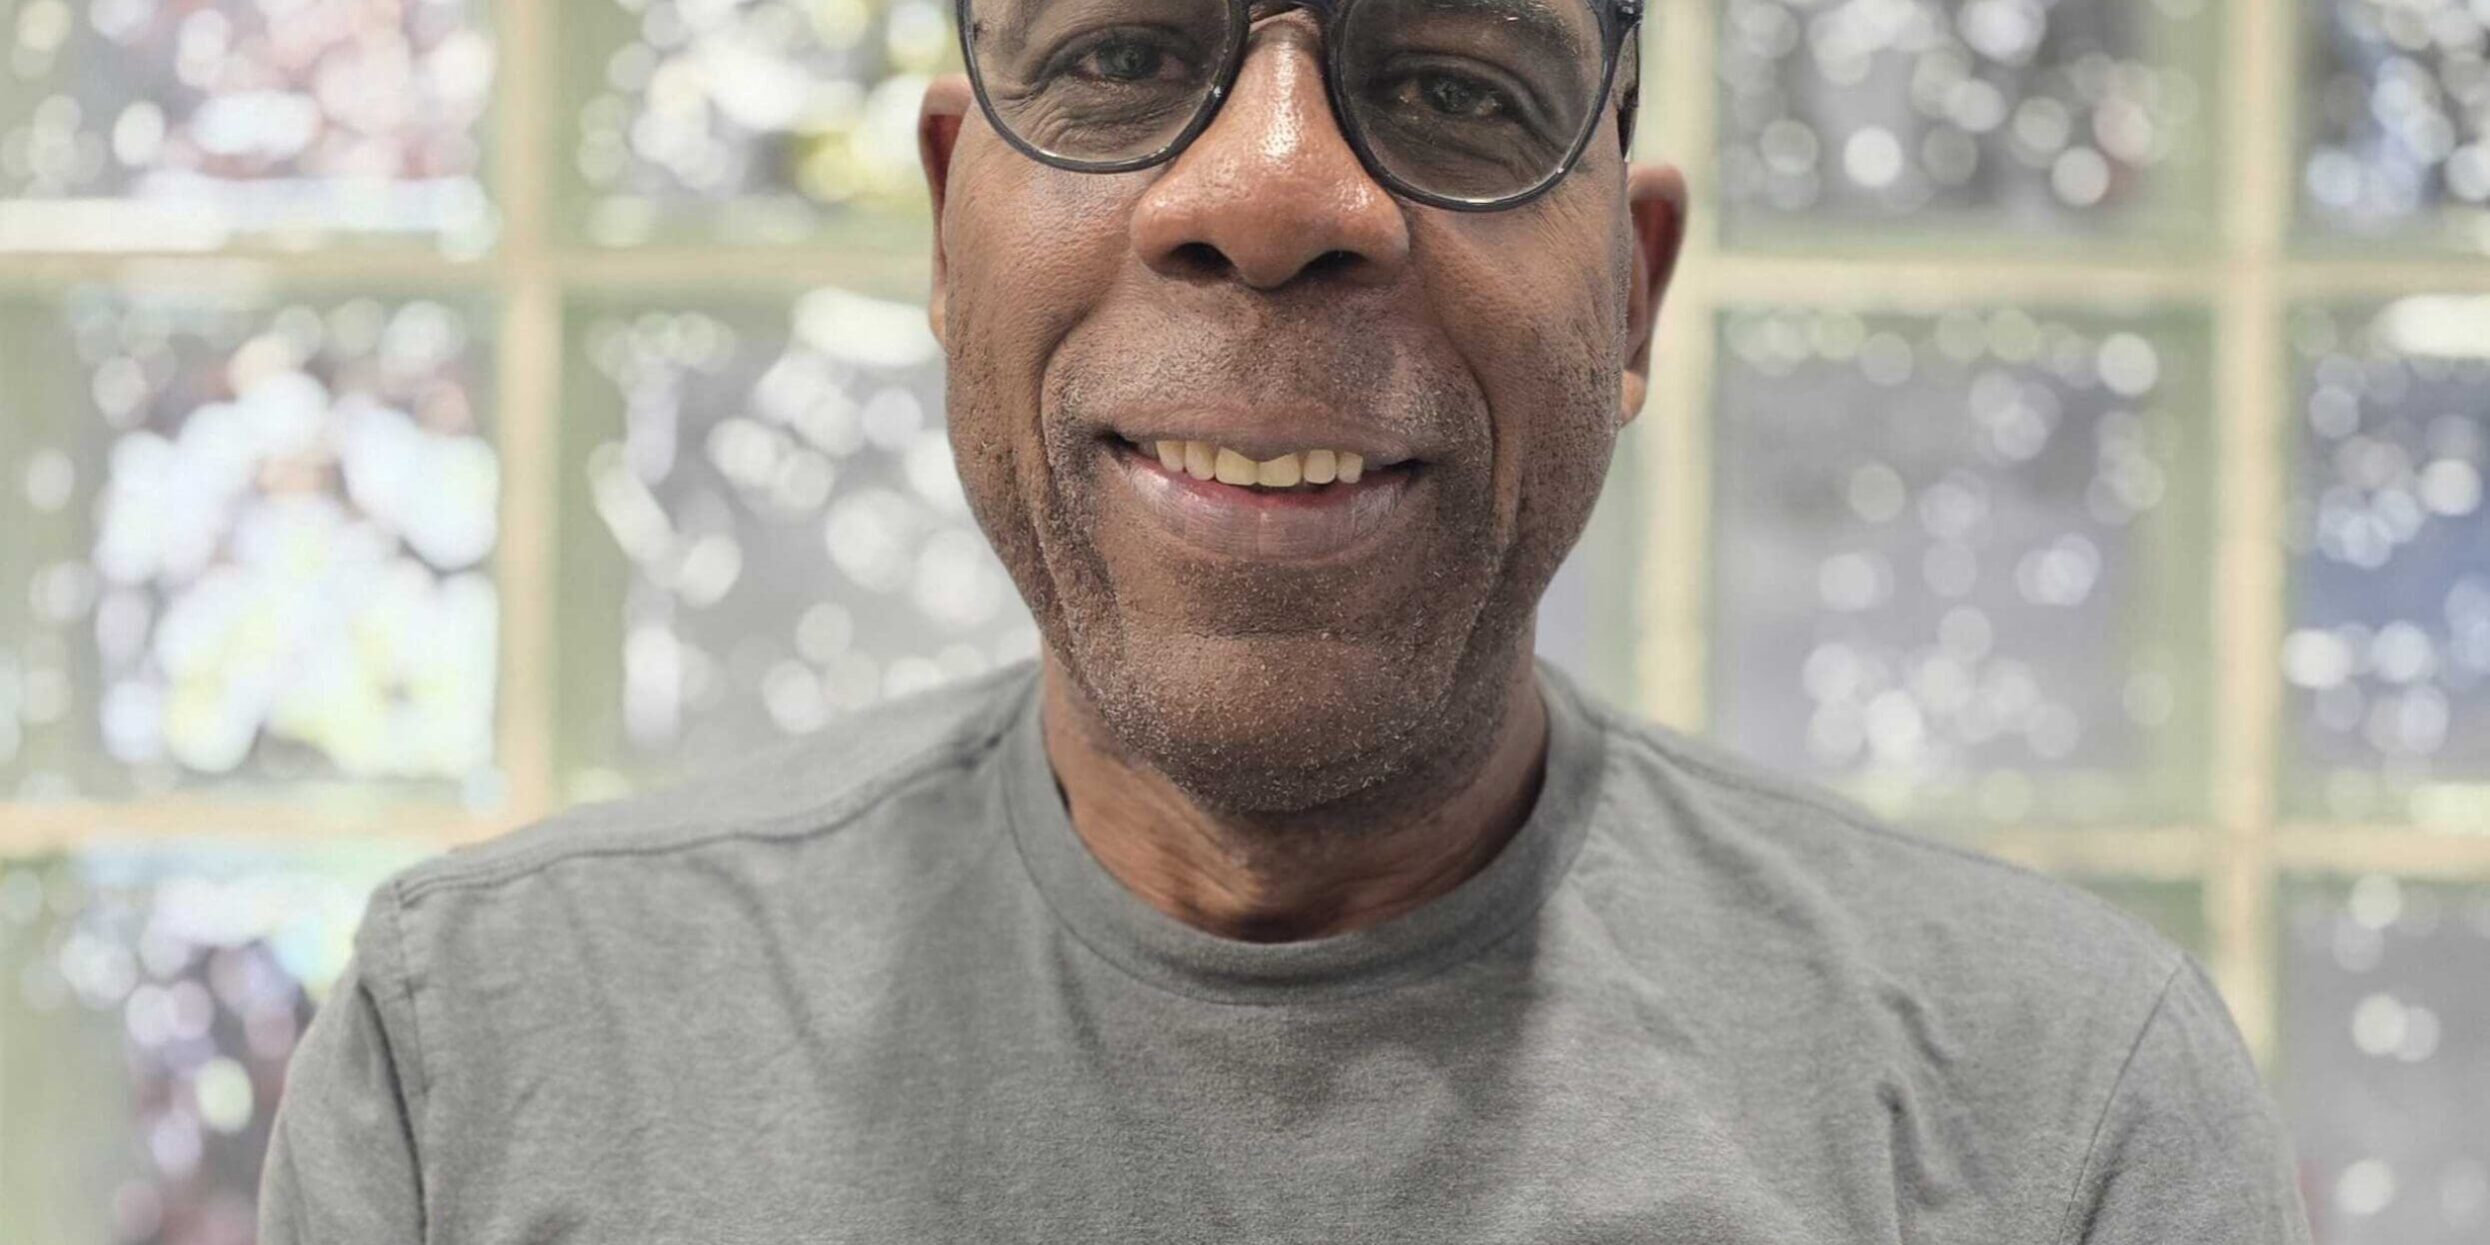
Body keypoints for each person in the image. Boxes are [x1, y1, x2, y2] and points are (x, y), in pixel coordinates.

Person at [263, 0, 2314, 1239]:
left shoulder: (2049, 1119)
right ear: (945, 227)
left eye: (1456, 82)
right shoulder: (499, 1049)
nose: (1269, 189)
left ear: (1634, 293)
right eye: (1126, 57)